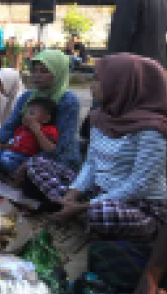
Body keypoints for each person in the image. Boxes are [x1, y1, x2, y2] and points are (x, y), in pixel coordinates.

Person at [47, 54, 167, 238]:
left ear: (122, 85)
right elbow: (91, 163)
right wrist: (72, 195)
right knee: (38, 165)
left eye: (98, 80)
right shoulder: (100, 117)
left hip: (141, 204)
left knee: (100, 214)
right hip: (100, 191)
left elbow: (139, 185)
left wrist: (86, 206)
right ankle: (72, 209)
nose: (91, 85)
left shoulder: (152, 129)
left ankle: (81, 214)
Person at [0, 50, 81, 199]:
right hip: (23, 152)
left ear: (58, 73)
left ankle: (14, 177)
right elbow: (10, 126)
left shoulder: (68, 100)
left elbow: (63, 143)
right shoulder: (27, 96)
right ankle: (12, 175)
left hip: (55, 158)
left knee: (32, 179)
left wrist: (29, 164)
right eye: (35, 71)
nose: (37, 75)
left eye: (44, 71)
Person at [0, 97, 58, 175]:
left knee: (6, 160)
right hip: (10, 153)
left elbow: (50, 149)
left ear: (45, 119)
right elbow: (14, 144)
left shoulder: (48, 130)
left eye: (31, 113)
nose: (26, 116)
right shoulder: (22, 128)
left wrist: (38, 132)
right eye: (26, 112)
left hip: (23, 160)